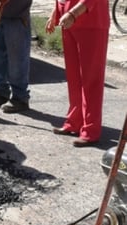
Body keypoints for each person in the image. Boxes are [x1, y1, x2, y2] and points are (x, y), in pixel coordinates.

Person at [46, 0, 110, 147]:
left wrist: (72, 14)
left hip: (90, 22)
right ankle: (74, 121)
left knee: (91, 79)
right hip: (69, 21)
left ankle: (90, 130)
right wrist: (55, 12)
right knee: (74, 78)